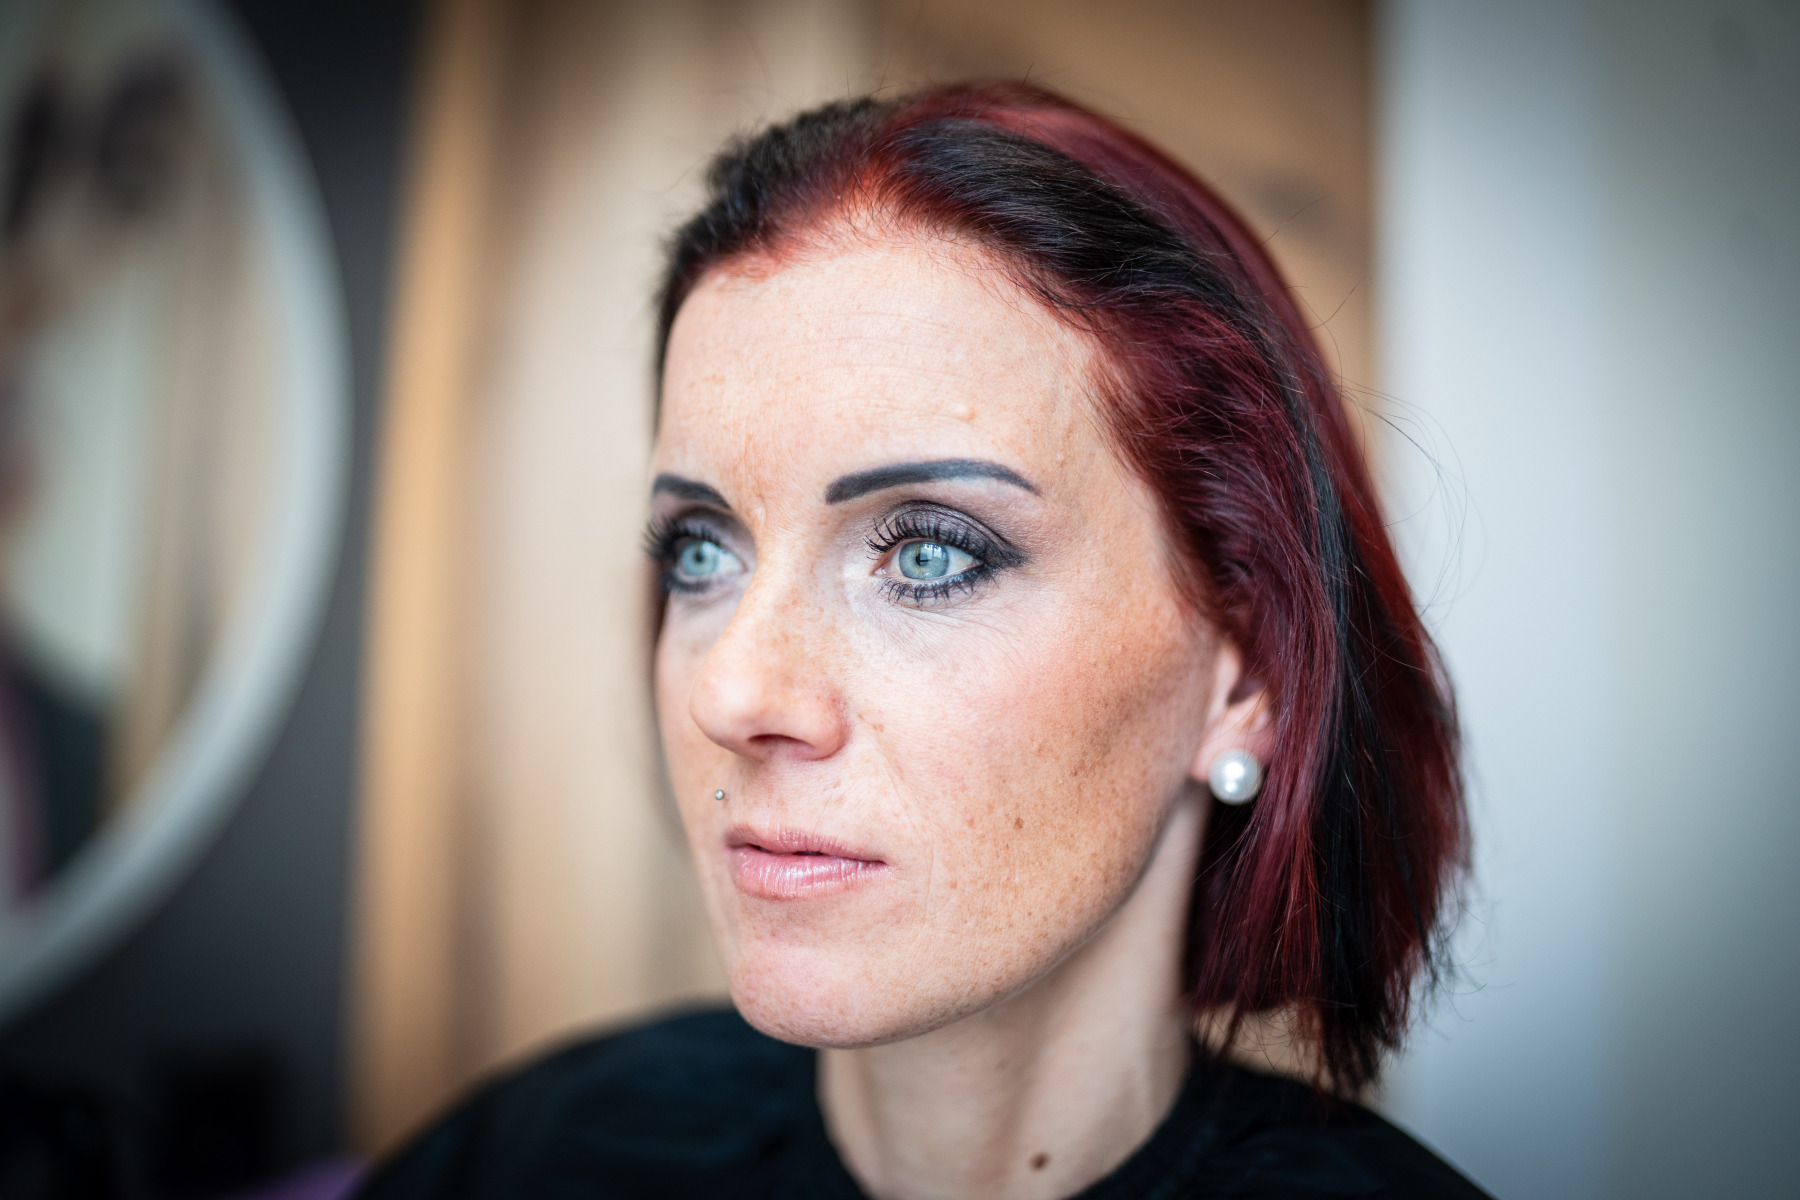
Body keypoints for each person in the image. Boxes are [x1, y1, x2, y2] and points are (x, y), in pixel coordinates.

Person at [359, 83, 1483, 1199]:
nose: (733, 690)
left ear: (1249, 676)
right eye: (702, 550)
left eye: (931, 555)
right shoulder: (536, 1156)